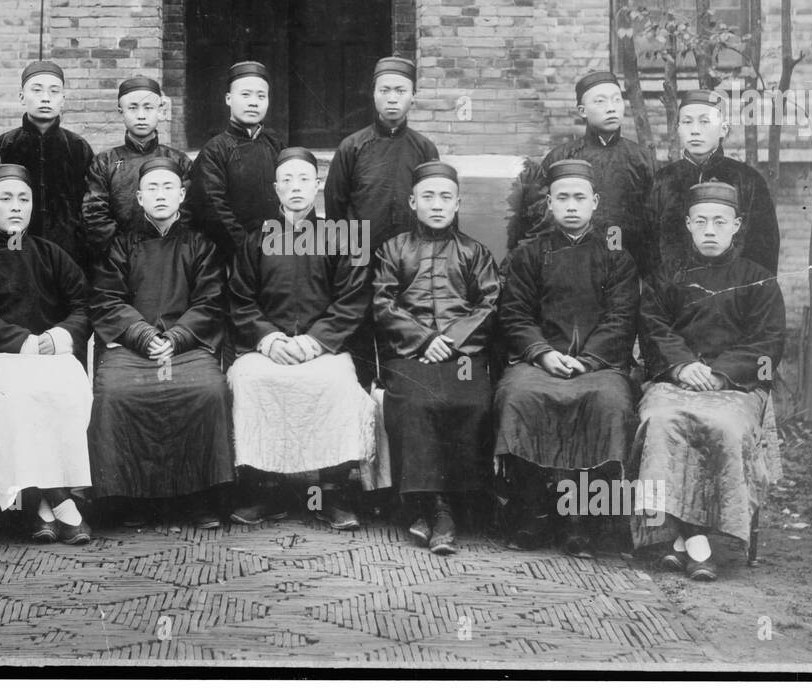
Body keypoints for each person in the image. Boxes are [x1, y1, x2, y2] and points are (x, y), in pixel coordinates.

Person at [630, 181, 786, 582]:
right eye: (701, 222)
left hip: (733, 387)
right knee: (662, 422)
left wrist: (720, 373)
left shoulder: (758, 279)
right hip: (675, 381)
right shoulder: (668, 275)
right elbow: (652, 327)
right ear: (688, 225)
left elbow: (768, 341)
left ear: (736, 225)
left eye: (720, 221)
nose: (710, 230)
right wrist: (681, 365)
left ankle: (682, 542)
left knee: (724, 426)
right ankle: (694, 542)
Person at [494, 159, 640, 558]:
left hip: (599, 366)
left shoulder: (617, 258)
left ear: (594, 202)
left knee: (608, 402)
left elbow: (621, 318)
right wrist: (543, 354)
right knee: (520, 397)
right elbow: (515, 314)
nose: (571, 205)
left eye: (580, 197)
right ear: (549, 204)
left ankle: (582, 520)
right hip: (538, 363)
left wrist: (588, 361)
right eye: (562, 198)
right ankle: (532, 511)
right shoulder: (528, 256)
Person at [227, 147, 376, 531]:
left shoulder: (341, 236)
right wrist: (270, 339)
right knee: (250, 381)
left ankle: (330, 492)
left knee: (337, 384)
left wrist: (314, 342)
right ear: (276, 187)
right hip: (268, 348)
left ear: (318, 185)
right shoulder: (255, 238)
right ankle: (267, 489)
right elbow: (240, 299)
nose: (296, 188)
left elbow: (353, 299)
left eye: (304, 179)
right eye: (287, 180)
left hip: (323, 348)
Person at [0, 164, 94, 545]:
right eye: (5, 198)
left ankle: (39, 508)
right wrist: (23, 342)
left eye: (23, 199)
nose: (15, 207)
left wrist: (60, 336)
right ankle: (61, 504)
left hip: (48, 354)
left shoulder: (51, 254)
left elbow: (83, 304)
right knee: (19, 396)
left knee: (71, 385)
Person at [90, 157, 233, 528]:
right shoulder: (121, 246)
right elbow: (107, 299)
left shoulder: (200, 245)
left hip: (184, 346)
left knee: (207, 390)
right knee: (117, 394)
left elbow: (210, 300)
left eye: (168, 187)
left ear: (182, 195)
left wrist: (177, 337)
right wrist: (142, 335)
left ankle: (198, 497)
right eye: (151, 188)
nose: (160, 195)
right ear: (138, 197)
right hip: (134, 347)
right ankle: (131, 498)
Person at [373, 161, 500, 554]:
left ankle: (448, 506)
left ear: (458, 202)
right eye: (428, 196)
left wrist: (449, 341)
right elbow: (382, 302)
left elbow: (489, 304)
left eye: (446, 197)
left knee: (470, 401)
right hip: (409, 354)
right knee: (413, 403)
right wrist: (424, 340)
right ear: (413, 202)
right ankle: (427, 505)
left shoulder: (475, 252)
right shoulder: (393, 249)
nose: (437, 204)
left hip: (461, 356)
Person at [505, 69, 654, 273]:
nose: (611, 108)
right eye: (600, 101)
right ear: (582, 110)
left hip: (626, 268)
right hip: (569, 266)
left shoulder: (641, 159)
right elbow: (537, 223)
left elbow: (653, 226)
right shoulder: (560, 159)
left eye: (616, 100)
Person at [646, 89, 780, 275]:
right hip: (675, 297)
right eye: (687, 122)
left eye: (704, 121)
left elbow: (764, 252)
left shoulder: (748, 180)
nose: (695, 130)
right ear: (677, 129)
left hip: (733, 296)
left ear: (723, 129)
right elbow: (648, 249)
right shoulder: (663, 181)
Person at [324, 56, 439, 255]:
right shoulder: (352, 147)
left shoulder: (425, 149)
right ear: (374, 94)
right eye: (384, 90)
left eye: (401, 91)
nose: (392, 98)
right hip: (360, 257)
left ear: (413, 95)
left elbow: (435, 205)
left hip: (410, 257)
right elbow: (335, 207)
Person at [81, 74, 192, 269]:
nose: (141, 115)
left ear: (160, 111)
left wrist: (165, 246)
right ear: (121, 112)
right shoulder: (104, 162)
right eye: (132, 108)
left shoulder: (178, 160)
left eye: (148, 107)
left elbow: (189, 211)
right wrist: (124, 252)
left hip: (172, 256)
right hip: (120, 261)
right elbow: (94, 215)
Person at [0, 60, 94, 268]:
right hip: (16, 246)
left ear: (63, 99)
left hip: (67, 251)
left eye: (54, 91)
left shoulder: (77, 147)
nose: (46, 98)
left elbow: (88, 205)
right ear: (22, 97)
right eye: (37, 90)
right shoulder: (4, 145)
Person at [186, 60, 282, 260]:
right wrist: (247, 250)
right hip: (234, 256)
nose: (253, 102)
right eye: (245, 95)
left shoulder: (276, 145)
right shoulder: (215, 150)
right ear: (228, 99)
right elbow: (215, 211)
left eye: (261, 96)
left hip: (276, 251)